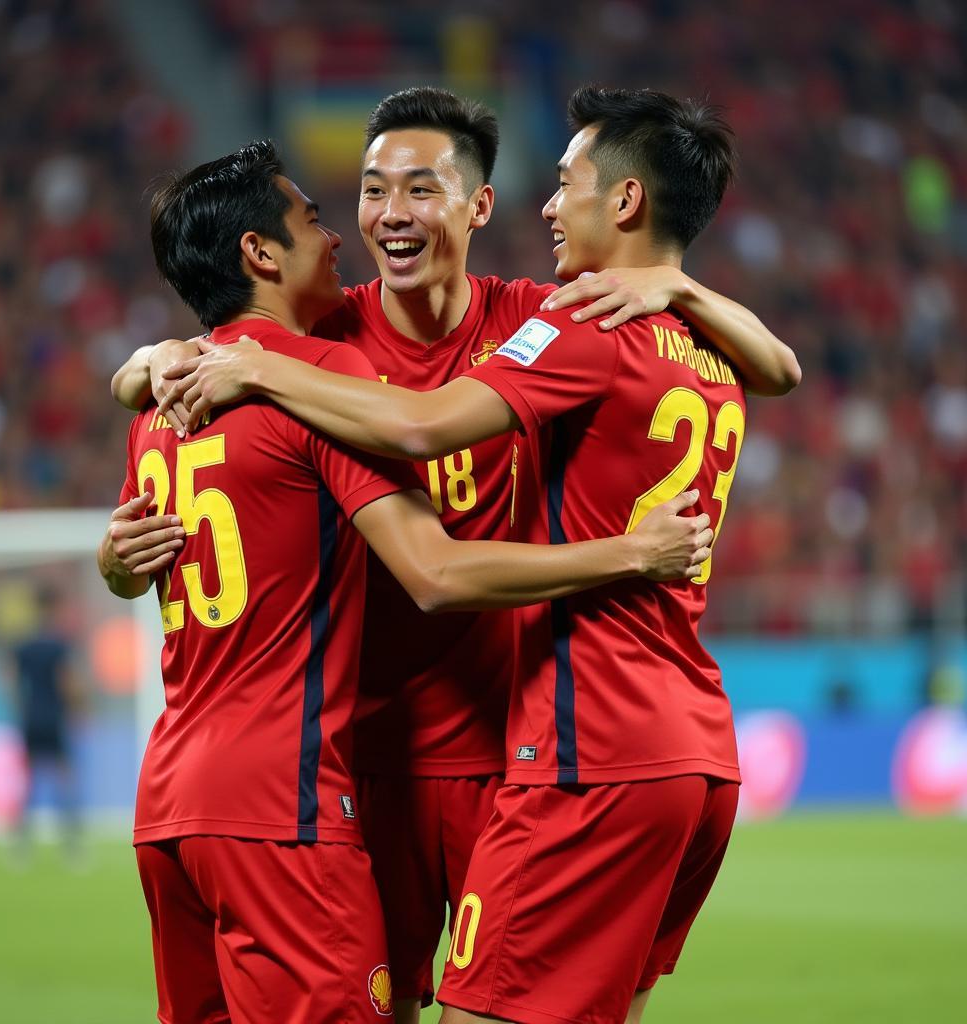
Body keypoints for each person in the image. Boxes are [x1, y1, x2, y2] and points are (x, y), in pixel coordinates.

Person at [117, 87, 798, 1023]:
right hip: (370, 762)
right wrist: (150, 361)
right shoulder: (326, 336)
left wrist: (680, 284)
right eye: (368, 190)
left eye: (420, 188)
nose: (390, 213)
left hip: (510, 749)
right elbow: (207, 362)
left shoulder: (541, 319)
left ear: (477, 206)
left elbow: (780, 367)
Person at [9, 582, 82, 862]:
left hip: (31, 716)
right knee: (65, 779)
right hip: (54, 717)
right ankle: (72, 846)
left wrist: (22, 706)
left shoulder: (25, 645)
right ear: (53, 609)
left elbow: (10, 678)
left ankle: (20, 846)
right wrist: (76, 707)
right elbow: (67, 681)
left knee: (28, 781)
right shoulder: (58, 645)